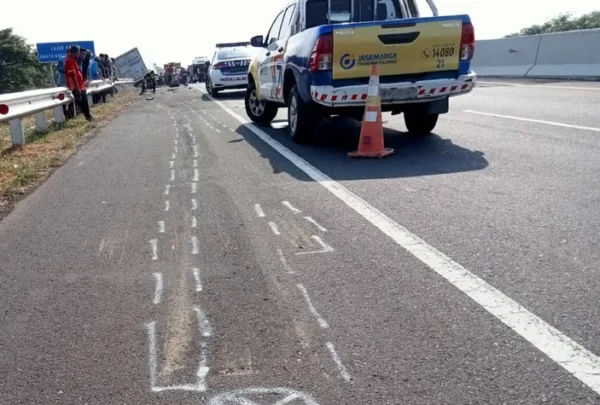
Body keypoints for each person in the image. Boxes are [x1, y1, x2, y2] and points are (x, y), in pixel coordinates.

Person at [65, 45, 93, 122]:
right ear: (75, 52)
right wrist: (77, 89)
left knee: (85, 102)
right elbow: (72, 75)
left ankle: (89, 116)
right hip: (76, 87)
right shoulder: (69, 61)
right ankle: (88, 117)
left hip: (80, 86)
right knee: (82, 103)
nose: (78, 55)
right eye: (77, 52)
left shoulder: (74, 61)